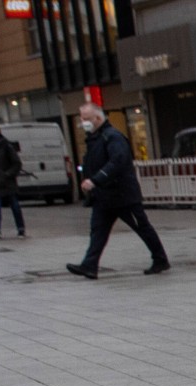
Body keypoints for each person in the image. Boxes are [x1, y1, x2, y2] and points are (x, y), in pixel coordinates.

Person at [67, 102, 170, 280]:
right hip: (104, 197)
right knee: (98, 231)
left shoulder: (112, 137)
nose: (84, 123)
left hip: (123, 196)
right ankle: (89, 265)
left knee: (142, 227)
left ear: (98, 118)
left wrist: (95, 180)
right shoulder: (94, 139)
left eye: (86, 119)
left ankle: (160, 259)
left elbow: (117, 162)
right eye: (82, 119)